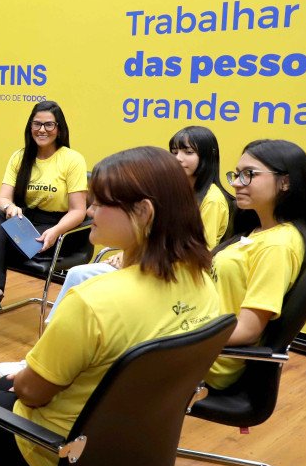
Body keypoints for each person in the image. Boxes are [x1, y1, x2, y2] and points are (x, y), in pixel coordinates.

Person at [0, 147, 219, 466]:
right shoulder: (203, 283)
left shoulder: (93, 302)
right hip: (135, 452)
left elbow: (31, 391)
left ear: (143, 212)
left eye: (100, 203)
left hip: (55, 457)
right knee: (3, 387)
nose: (89, 211)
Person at [36, 125, 232, 328]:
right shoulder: (177, 191)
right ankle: (54, 328)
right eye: (174, 152)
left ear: (208, 156)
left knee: (81, 278)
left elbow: (197, 250)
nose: (179, 158)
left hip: (168, 274)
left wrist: (137, 260)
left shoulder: (212, 199)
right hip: (151, 264)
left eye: (188, 152)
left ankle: (55, 330)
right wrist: (129, 254)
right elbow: (153, 234)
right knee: (78, 274)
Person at [0, 100, 87, 331]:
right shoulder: (20, 157)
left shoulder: (71, 159)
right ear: (30, 126)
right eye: (37, 124)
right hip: (26, 227)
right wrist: (9, 208)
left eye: (49, 125)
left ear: (59, 128)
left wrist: (56, 231)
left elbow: (78, 210)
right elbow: (2, 198)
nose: (42, 130)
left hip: (56, 233)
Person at [205, 139, 306, 390]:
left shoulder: (278, 245)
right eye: (237, 174)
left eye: (249, 175)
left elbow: (248, 330)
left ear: (285, 182)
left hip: (210, 360)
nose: (236, 183)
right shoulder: (257, 231)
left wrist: (178, 338)